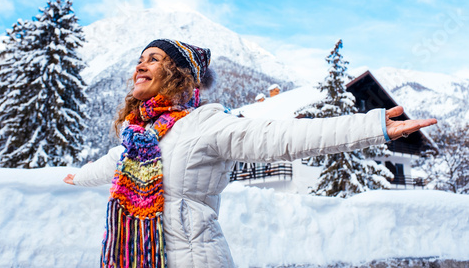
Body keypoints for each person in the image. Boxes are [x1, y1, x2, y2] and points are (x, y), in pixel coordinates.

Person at [64, 39, 437, 268]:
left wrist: (370, 127)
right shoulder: (139, 137)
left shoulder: (205, 124)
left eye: (155, 58)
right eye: (140, 58)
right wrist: (75, 177)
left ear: (178, 75)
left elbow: (283, 136)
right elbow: (111, 164)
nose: (141, 64)